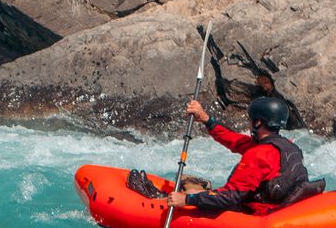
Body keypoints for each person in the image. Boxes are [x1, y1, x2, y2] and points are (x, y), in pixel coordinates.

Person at [133, 89, 314, 217]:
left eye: (251, 121)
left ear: (258, 123)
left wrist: (186, 200)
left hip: (259, 211)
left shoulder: (258, 154)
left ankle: (158, 199)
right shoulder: (287, 146)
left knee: (189, 189)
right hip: (281, 205)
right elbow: (234, 140)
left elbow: (231, 196)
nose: (249, 124)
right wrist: (206, 119)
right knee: (191, 184)